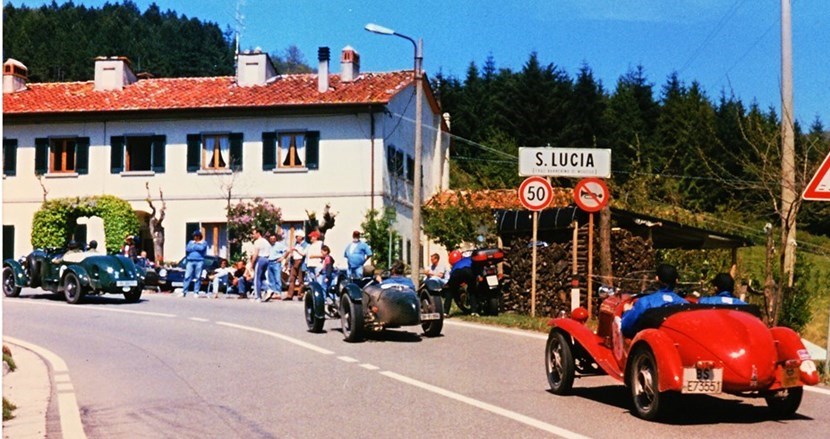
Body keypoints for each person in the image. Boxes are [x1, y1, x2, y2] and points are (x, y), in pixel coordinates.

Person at [620, 264, 688, 337]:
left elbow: (625, 327)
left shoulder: (645, 302)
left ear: (657, 278)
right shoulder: (685, 304)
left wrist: (627, 311)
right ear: (677, 281)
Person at [443, 249, 475, 316]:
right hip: (468, 271)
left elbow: (452, 275)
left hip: (456, 272)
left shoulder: (456, 263)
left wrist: (448, 284)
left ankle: (445, 312)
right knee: (472, 290)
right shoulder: (471, 259)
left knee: (450, 291)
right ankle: (474, 311)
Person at [181, 230, 208, 297]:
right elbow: (187, 249)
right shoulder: (190, 242)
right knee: (187, 276)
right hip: (190, 261)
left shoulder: (203, 242)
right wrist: (196, 246)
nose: (195, 237)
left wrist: (194, 246)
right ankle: (184, 292)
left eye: (196, 236)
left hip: (199, 261)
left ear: (199, 236)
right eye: (194, 236)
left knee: (198, 277)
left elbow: (201, 248)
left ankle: (196, 292)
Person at [284, 230, 308, 300]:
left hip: (301, 262)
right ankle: (289, 295)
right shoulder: (296, 244)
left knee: (301, 280)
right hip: (294, 261)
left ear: (301, 237)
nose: (296, 238)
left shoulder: (306, 245)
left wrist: (296, 250)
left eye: (297, 236)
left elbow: (304, 254)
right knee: (292, 278)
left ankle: (300, 294)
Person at [250, 229, 272, 302]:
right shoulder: (266, 242)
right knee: (262, 277)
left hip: (260, 259)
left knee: (256, 278)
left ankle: (257, 296)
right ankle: (268, 289)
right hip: (267, 259)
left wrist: (252, 263)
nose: (253, 235)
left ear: (258, 233)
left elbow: (256, 253)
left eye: (254, 234)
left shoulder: (257, 242)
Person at [266, 232, 287, 299]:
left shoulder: (279, 245)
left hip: (276, 262)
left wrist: (283, 257)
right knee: (271, 278)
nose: (272, 240)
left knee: (277, 278)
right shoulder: (268, 245)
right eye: (271, 238)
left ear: (276, 239)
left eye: (274, 238)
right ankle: (273, 292)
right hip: (269, 262)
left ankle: (278, 292)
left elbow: (287, 251)